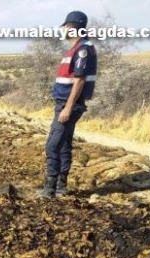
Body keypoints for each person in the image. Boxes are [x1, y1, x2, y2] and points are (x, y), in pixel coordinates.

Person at [39, 11, 97, 198]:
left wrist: (68, 108)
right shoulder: (78, 48)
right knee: (63, 145)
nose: (64, 30)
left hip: (69, 104)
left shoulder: (83, 49)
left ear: (72, 27)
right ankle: (61, 187)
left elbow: (79, 81)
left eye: (65, 26)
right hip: (65, 103)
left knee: (52, 146)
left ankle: (50, 189)